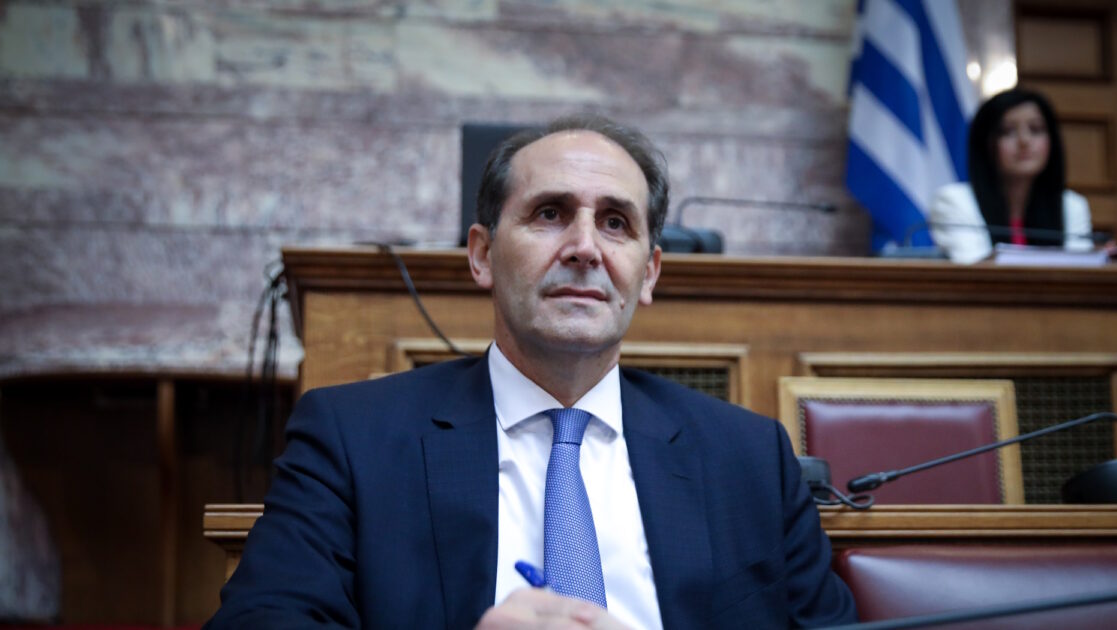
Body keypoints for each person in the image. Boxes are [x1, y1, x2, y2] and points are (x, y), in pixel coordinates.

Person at [206, 114, 857, 629]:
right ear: (482, 255)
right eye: (550, 214)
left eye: (615, 223)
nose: (585, 248)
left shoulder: (748, 457)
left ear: (649, 273)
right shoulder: (353, 438)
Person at [928, 87, 1094, 263]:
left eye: (1036, 129)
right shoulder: (955, 202)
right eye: (1007, 131)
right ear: (986, 143)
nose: (1024, 141)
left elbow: (1078, 271)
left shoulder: (1072, 206)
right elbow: (975, 271)